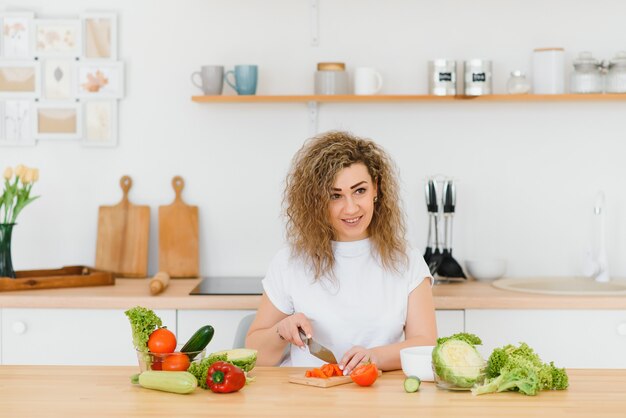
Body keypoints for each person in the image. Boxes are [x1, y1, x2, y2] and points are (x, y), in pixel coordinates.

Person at [246, 131, 437, 375]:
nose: (350, 207)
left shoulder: (406, 259)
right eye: (335, 196)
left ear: (376, 189)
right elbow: (256, 354)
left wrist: (375, 357)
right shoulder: (290, 261)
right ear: (316, 201)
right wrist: (280, 331)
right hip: (307, 396)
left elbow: (425, 344)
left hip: (378, 395)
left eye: (360, 191)